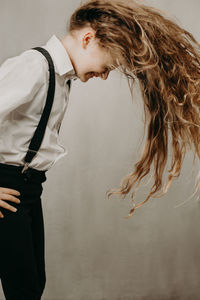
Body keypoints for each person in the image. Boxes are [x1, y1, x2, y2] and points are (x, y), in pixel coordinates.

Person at [0, 0, 200, 298]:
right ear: (88, 38)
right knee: (24, 290)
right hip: (9, 190)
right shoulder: (35, 67)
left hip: (29, 191)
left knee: (33, 285)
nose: (105, 75)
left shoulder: (59, 77)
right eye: (109, 64)